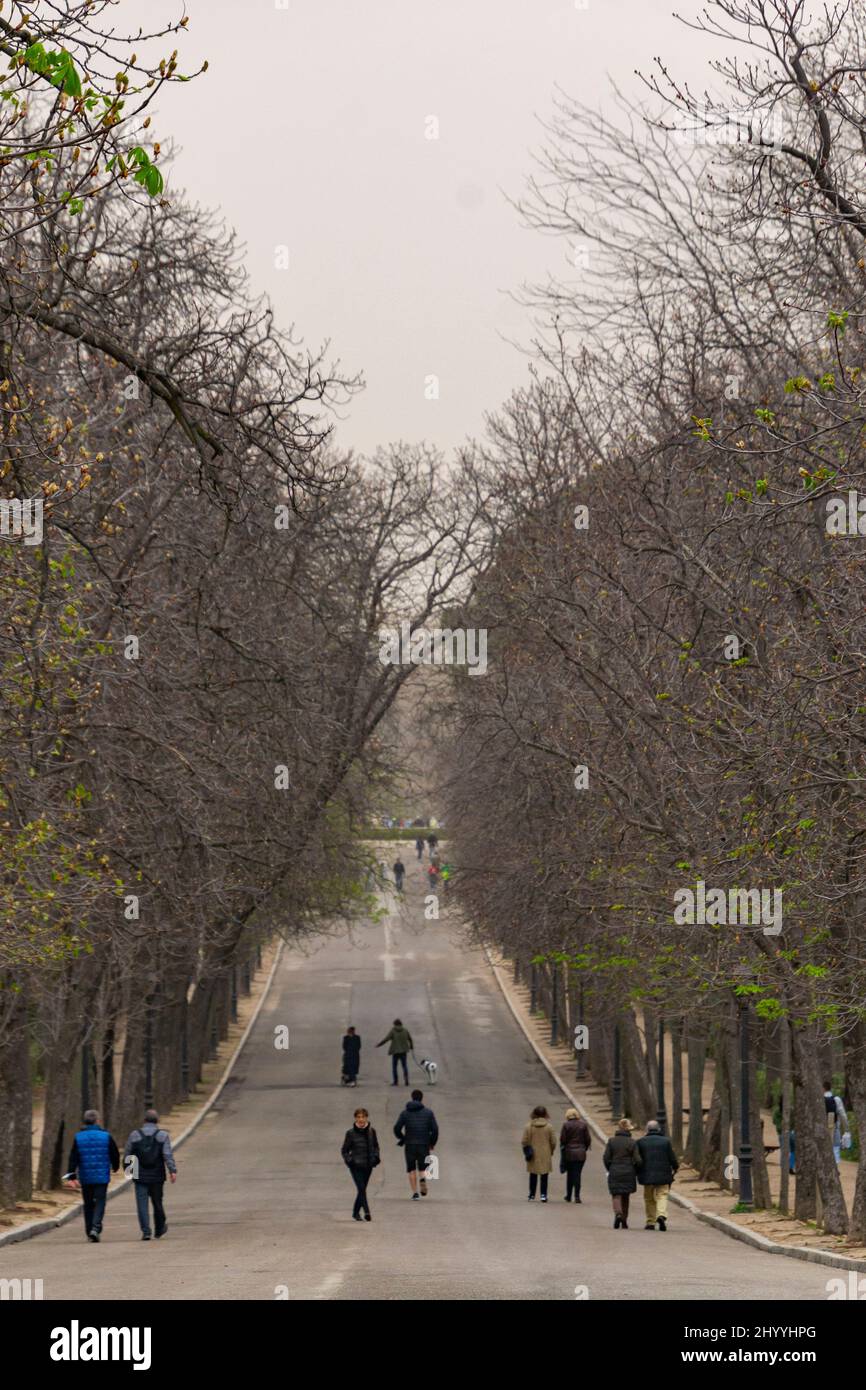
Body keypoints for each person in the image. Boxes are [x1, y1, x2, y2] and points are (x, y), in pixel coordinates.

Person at [66, 1109, 121, 1242]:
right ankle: (95, 1228)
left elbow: (73, 1157)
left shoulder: (78, 1137)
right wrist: (115, 1166)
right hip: (102, 1175)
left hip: (85, 1176)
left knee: (88, 1203)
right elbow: (114, 1153)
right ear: (97, 1121)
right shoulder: (106, 1136)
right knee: (100, 1202)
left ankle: (89, 1229)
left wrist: (71, 1175)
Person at [124, 1109, 177, 1241]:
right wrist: (172, 1170)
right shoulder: (163, 1135)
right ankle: (159, 1228)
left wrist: (129, 1173)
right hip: (157, 1175)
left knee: (142, 1204)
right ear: (157, 1121)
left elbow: (128, 1154)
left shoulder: (134, 1135)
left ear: (144, 1121)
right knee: (157, 1202)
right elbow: (167, 1154)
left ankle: (146, 1231)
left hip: (139, 1175)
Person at [394, 1089, 438, 1198]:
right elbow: (435, 1129)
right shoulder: (428, 1113)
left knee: (411, 1168)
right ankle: (422, 1178)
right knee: (422, 1167)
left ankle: (415, 1193)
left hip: (410, 1143)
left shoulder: (405, 1113)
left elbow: (397, 1128)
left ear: (412, 1097)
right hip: (424, 1143)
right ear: (422, 1099)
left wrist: (402, 1138)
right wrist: (432, 1142)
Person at [636, 1119, 679, 1231]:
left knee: (649, 1198)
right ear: (659, 1129)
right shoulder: (665, 1141)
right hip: (663, 1173)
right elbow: (672, 1157)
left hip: (647, 1174)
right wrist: (675, 1167)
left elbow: (638, 1160)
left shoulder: (640, 1142)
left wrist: (637, 1171)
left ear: (647, 1129)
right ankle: (661, 1215)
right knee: (662, 1195)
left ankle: (651, 1221)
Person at [341, 1107, 380, 1221]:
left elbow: (376, 1146)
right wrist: (349, 1160)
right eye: (358, 1117)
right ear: (355, 1118)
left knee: (361, 1189)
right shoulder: (350, 1133)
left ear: (366, 1117)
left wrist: (376, 1157)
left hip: (368, 1164)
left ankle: (355, 1212)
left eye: (363, 1117)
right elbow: (344, 1150)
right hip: (356, 1166)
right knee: (362, 1189)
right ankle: (367, 1212)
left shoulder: (372, 1131)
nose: (361, 1119)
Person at [603, 1117, 639, 1229]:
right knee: (626, 1196)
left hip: (614, 1170)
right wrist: (635, 1169)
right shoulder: (632, 1142)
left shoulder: (612, 1141)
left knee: (616, 1195)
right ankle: (624, 1220)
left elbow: (606, 1157)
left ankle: (618, 1213)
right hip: (628, 1171)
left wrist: (610, 1168)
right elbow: (638, 1159)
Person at [522, 1105, 556, 1202]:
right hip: (545, 1153)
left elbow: (524, 1141)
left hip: (533, 1153)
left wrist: (527, 1149)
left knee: (533, 1174)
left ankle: (532, 1195)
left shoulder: (528, 1126)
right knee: (544, 1175)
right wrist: (551, 1150)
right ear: (545, 1114)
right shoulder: (549, 1127)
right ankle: (543, 1195)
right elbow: (553, 1141)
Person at [559, 1106, 591, 1203]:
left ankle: (568, 1195)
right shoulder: (583, 1125)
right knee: (577, 1174)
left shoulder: (566, 1125)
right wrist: (584, 1148)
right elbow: (588, 1139)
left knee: (570, 1174)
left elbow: (563, 1140)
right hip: (581, 1153)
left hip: (569, 1153)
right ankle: (577, 1196)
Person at [376, 1017, 413, 1085]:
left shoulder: (393, 1031)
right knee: (404, 1066)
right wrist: (411, 1046)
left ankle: (396, 1081)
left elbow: (386, 1039)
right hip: (403, 1051)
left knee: (394, 1067)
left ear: (395, 1024)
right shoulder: (405, 1030)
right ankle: (406, 1079)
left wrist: (379, 1044)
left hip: (395, 1052)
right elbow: (410, 1039)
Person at [823, 1080, 850, 1164]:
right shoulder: (836, 1099)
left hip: (821, 1128)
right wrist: (847, 1129)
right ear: (830, 1088)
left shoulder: (818, 1100)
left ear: (823, 1088)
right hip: (834, 1126)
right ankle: (835, 1168)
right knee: (835, 1147)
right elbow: (843, 1115)